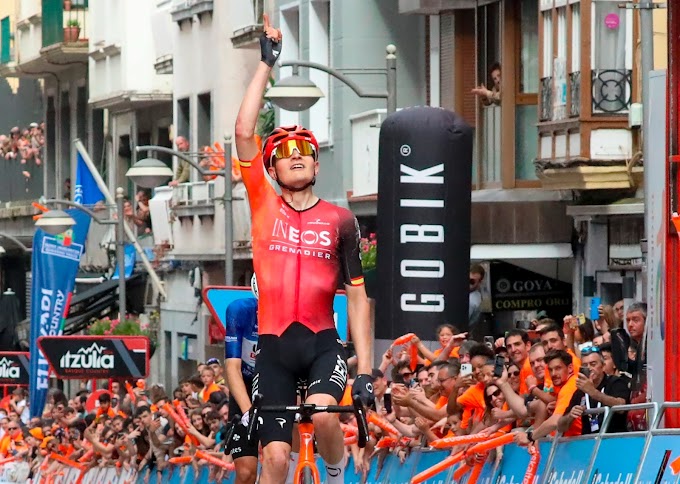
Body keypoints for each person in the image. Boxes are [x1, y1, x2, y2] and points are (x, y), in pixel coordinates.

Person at [234, 15, 374, 484]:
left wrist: (367, 369)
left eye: (305, 150)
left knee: (325, 414)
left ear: (316, 164)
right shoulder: (262, 205)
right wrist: (264, 67)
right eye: (285, 151)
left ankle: (334, 476)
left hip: (320, 342)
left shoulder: (341, 220)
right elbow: (242, 134)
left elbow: (356, 294)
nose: (296, 154)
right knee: (273, 460)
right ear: (272, 168)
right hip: (273, 345)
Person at [224, 293, 260, 484]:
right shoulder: (239, 311)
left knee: (277, 461)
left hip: (275, 384)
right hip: (244, 386)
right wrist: (248, 412)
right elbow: (232, 368)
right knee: (246, 474)